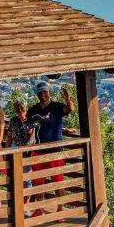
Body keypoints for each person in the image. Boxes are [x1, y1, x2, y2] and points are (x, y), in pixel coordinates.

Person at [26, 81, 75, 216]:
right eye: (40, 92)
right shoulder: (33, 110)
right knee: (38, 182)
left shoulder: (57, 107)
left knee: (57, 181)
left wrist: (67, 99)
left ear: (49, 92)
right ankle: (39, 209)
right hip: (38, 149)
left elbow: (70, 109)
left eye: (45, 91)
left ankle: (61, 209)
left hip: (55, 150)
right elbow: (28, 126)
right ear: (37, 94)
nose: (43, 94)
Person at [6, 100, 37, 190]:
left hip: (27, 151)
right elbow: (9, 136)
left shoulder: (32, 119)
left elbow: (31, 135)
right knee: (14, 175)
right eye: (17, 108)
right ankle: (15, 199)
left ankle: (26, 201)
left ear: (26, 108)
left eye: (22, 108)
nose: (20, 110)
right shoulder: (13, 120)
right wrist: (6, 151)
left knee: (27, 177)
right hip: (14, 148)